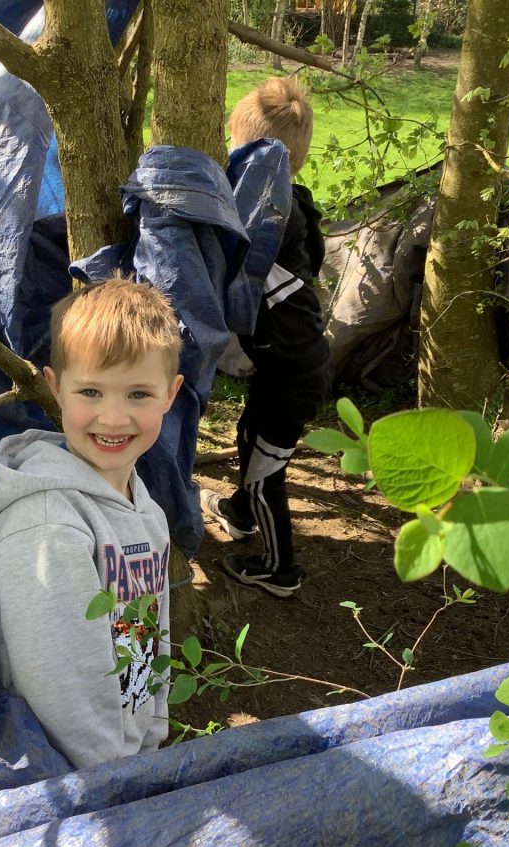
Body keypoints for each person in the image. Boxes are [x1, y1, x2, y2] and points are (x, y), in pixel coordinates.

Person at [0, 278, 184, 770]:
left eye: (138, 393)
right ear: (55, 387)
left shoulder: (146, 510)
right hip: (68, 776)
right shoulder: (48, 525)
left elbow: (147, 633)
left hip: (126, 761)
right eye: (90, 391)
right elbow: (59, 686)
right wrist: (115, 777)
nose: (112, 418)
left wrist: (151, 739)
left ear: (171, 394)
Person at [201, 76, 331, 598]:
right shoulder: (291, 201)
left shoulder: (267, 217)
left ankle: (281, 570)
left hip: (293, 374)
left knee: (264, 475)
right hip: (284, 365)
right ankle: (240, 512)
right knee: (249, 437)